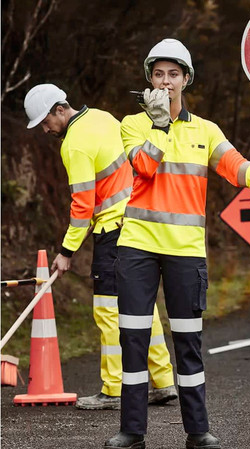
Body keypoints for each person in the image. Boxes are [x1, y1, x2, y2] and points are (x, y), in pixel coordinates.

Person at [103, 38, 250, 449]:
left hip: (186, 254)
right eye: (158, 74)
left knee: (188, 342)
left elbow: (238, 169)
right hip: (136, 248)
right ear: (149, 80)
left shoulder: (206, 130)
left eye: (174, 74)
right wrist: (158, 125)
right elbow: (144, 168)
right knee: (132, 339)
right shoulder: (132, 124)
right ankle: (132, 432)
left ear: (186, 79)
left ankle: (198, 430)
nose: (166, 81)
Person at [23, 84, 178, 410]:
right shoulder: (104, 117)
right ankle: (164, 382)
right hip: (139, 224)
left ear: (59, 110)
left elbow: (82, 206)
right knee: (143, 306)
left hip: (113, 233)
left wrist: (66, 253)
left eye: (45, 122)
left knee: (108, 312)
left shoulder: (74, 146)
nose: (45, 129)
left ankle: (113, 389)